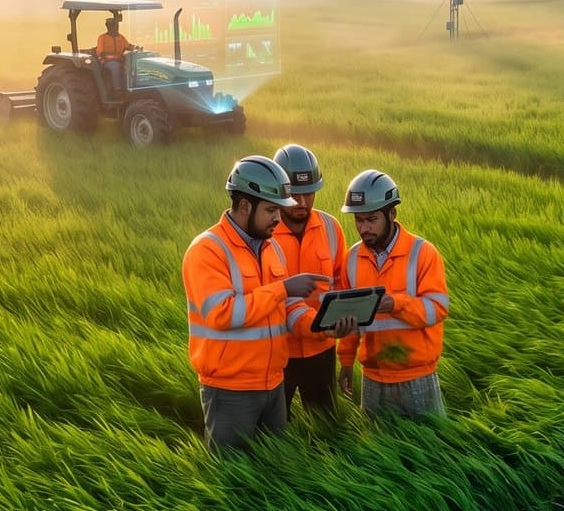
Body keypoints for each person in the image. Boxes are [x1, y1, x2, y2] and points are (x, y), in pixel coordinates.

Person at [182, 155, 353, 451]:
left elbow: (287, 308)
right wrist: (283, 288)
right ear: (245, 206)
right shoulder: (208, 251)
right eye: (272, 209)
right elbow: (222, 313)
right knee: (233, 477)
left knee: (273, 473)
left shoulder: (270, 247)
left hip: (273, 384)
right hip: (231, 391)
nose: (279, 218)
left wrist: (323, 327)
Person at [336, 169, 450, 418]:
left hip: (417, 376)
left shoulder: (423, 253)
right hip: (373, 379)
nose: (364, 228)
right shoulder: (352, 259)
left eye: (371, 219)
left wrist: (395, 303)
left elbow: (438, 308)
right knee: (379, 451)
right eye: (358, 220)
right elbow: (351, 316)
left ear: (391, 214)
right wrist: (346, 360)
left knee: (430, 450)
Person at [271, 143, 348, 415]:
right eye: (294, 195)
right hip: (278, 353)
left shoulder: (330, 227)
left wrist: (343, 316)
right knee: (273, 432)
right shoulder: (262, 234)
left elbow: (341, 282)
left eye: (309, 193)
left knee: (325, 426)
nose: (302, 203)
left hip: (322, 349)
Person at [94, 16, 138, 96]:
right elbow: (100, 53)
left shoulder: (121, 37)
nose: (115, 27)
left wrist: (136, 48)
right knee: (115, 67)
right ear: (107, 26)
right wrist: (114, 58)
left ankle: (132, 87)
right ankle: (117, 90)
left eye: (116, 25)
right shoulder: (102, 38)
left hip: (120, 60)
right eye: (112, 25)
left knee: (132, 66)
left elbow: (128, 46)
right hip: (107, 62)